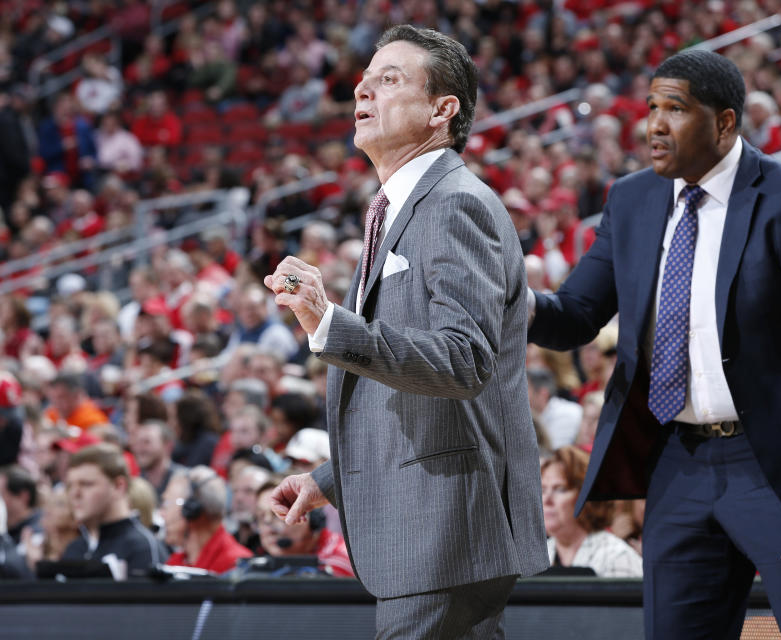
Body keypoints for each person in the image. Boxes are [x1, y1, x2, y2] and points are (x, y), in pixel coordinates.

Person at [528, 49, 781, 638]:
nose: (654, 124)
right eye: (652, 107)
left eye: (675, 109)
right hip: (675, 463)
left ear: (725, 122)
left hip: (776, 468)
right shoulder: (632, 200)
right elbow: (576, 315)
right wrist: (509, 298)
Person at [264, 25, 547, 637]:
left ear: (442, 111)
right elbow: (421, 394)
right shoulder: (404, 206)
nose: (363, 88)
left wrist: (331, 323)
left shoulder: (452, 203)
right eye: (365, 78)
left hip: (444, 528)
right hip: (439, 526)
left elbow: (463, 361)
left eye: (389, 79)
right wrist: (328, 480)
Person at [61, 443, 167, 575]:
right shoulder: (74, 549)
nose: (75, 494)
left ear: (118, 486)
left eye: (86, 484)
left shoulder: (143, 547)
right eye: (70, 486)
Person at [541, 446, 643, 578]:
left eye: (560, 489)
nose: (546, 500)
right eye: (542, 490)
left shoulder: (617, 558)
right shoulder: (536, 559)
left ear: (586, 496)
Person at [161, 466, 252, 575]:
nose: (162, 514)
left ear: (191, 509)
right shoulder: (175, 563)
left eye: (167, 504)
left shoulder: (237, 566)